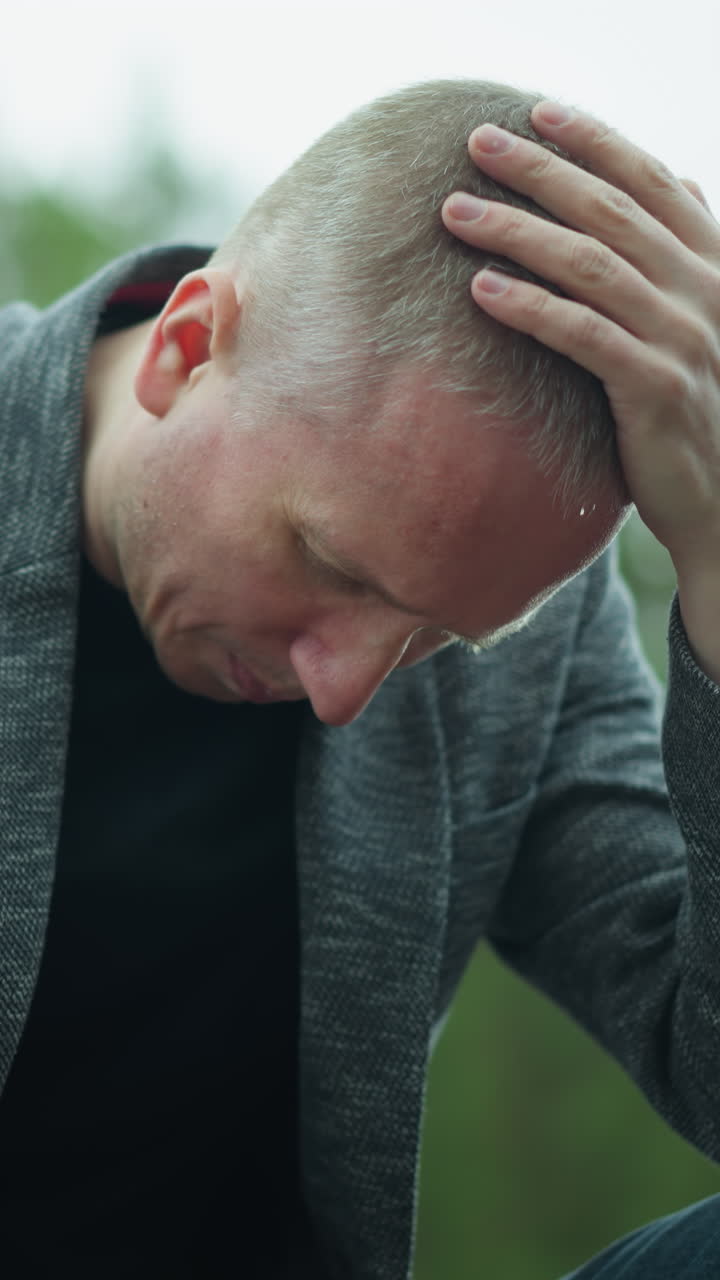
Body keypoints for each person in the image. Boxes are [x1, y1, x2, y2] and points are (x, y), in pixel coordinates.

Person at [0, 76, 719, 1278]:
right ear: (187, 347)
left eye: (440, 635)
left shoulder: (525, 621)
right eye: (326, 559)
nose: (348, 692)